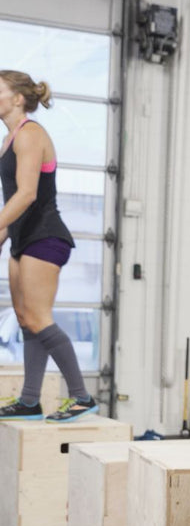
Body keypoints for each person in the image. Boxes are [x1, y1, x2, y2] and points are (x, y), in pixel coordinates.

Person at [0, 70, 97, 423]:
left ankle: (81, 396)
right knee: (26, 320)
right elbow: (12, 200)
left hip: (45, 236)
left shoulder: (31, 134)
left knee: (39, 318)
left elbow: (27, 194)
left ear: (17, 98)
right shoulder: (9, 139)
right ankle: (29, 400)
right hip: (22, 239)